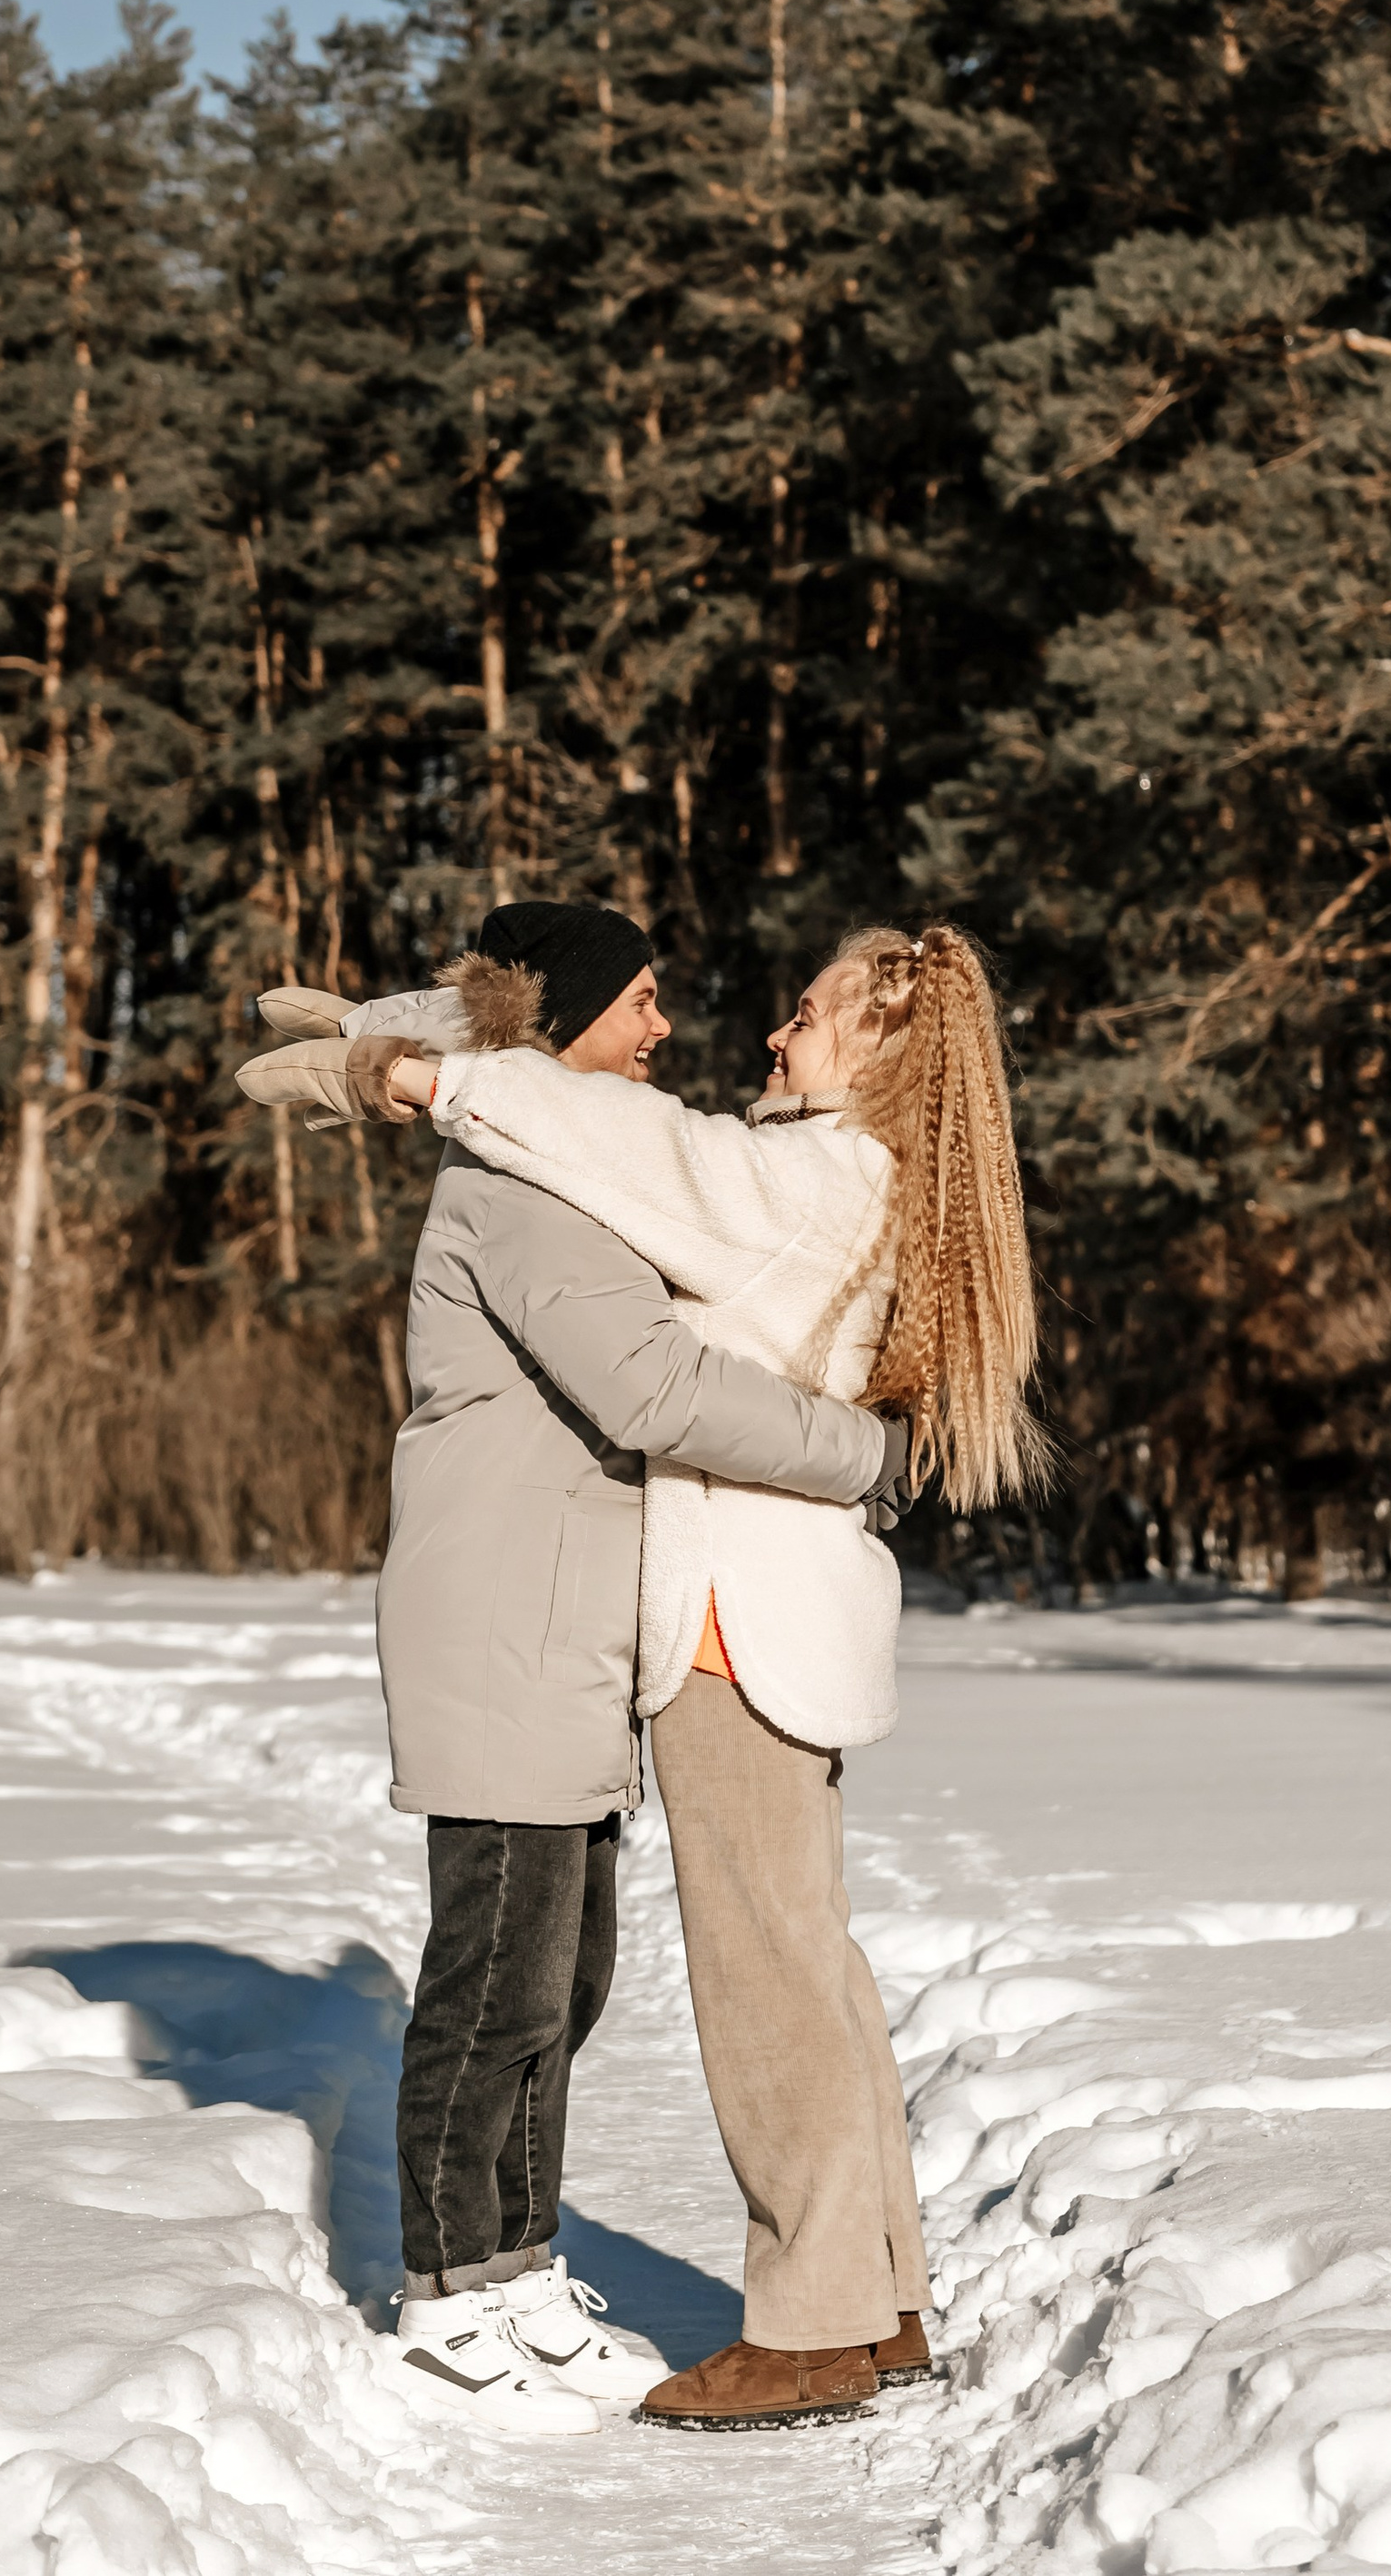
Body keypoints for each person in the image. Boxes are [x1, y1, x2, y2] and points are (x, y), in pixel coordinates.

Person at [341, 917, 1048, 2431]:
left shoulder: (808, 1176)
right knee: (815, 1957)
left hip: (738, 1617)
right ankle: (885, 2296)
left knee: (763, 1971)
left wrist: (421, 1073)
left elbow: (633, 1143)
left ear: (877, 1049)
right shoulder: (857, 1179)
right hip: (788, 1612)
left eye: (804, 1014)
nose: (771, 1038)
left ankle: (811, 2324)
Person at [236, 902, 902, 2443]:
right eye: (647, 1000)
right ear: (576, 1021)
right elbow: (652, 1382)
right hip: (506, 1625)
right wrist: (865, 1452)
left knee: (564, 1968)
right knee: (495, 1977)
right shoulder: (526, 1194)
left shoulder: (560, 1162)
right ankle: (451, 2291)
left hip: (565, 1633)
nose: (670, 1032)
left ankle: (516, 2267)